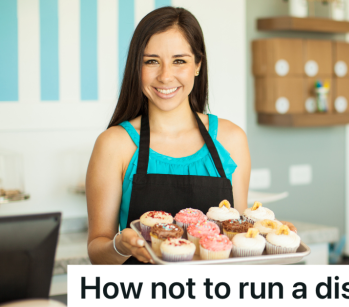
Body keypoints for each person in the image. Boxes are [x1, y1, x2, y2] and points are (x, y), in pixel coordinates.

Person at [85, 7, 251, 264]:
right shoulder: (114, 144)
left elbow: (237, 240)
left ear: (197, 65)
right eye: (151, 61)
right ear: (136, 67)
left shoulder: (232, 139)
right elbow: (97, 252)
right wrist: (121, 245)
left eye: (179, 61)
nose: (164, 76)